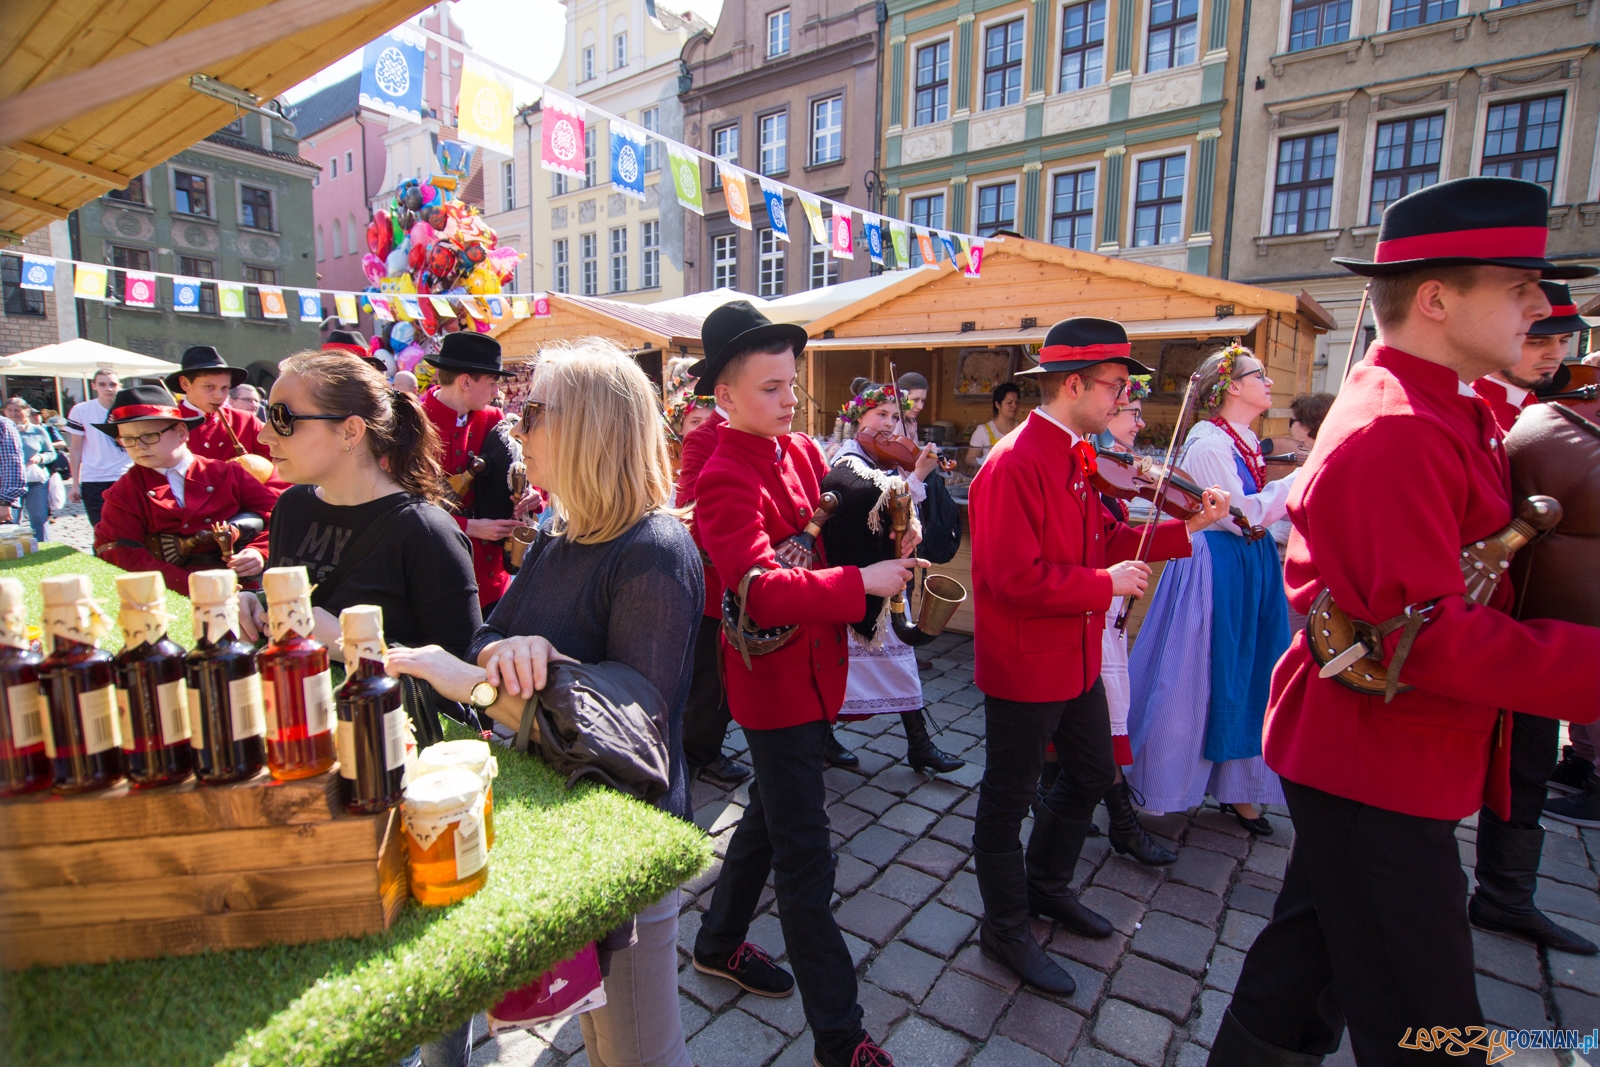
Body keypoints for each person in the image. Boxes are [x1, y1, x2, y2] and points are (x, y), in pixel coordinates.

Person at [1210, 176, 1600, 1067]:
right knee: (1431, 1031)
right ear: (1435, 299)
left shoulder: (1442, 404)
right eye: (1519, 288)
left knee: (1301, 981)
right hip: (1376, 753)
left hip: (1382, 746)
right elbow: (1432, 639)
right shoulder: (1400, 426)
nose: (1541, 308)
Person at [386, 340, 703, 1067]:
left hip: (626, 849)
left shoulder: (654, 548)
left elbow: (631, 735)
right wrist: (505, 651)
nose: (513, 429)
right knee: (603, 1043)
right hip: (568, 832)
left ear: (590, 425)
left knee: (637, 1055)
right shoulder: (562, 534)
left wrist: (482, 682)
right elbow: (489, 637)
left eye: (531, 411)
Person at [967, 317, 1229, 995]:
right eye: (1116, 384)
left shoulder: (1076, 452)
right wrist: (1100, 585)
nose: (1124, 398)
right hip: (1028, 660)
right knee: (1008, 797)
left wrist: (1184, 528)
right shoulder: (1014, 461)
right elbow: (1008, 577)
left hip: (1075, 655)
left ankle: (1046, 885)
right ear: (1075, 383)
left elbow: (1108, 535)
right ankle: (1004, 926)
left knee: (1090, 771)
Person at [691, 303, 922, 1067]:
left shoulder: (791, 448)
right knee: (807, 858)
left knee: (769, 810)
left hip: (813, 670)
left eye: (791, 384)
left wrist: (897, 522)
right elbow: (757, 589)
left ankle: (718, 941)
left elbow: (836, 518)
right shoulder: (726, 474)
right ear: (724, 397)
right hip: (773, 684)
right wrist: (860, 581)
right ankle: (839, 1037)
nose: (790, 401)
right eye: (770, 388)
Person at [1462, 281, 1598, 955]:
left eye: (1557, 341)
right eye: (1537, 337)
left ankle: (1506, 892)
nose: (1548, 354)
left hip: (1526, 620)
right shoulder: (1479, 411)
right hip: (1483, 625)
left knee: (1527, 762)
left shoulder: (1527, 409)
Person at [1125, 344, 1298, 835]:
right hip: (1214, 569)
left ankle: (1240, 788)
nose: (1267, 382)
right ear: (1232, 387)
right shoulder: (1208, 444)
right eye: (1257, 375)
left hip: (1247, 566)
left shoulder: (1240, 437)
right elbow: (1238, 516)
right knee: (1194, 676)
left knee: (1249, 671)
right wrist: (1296, 483)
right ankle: (1163, 784)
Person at [237, 351, 480, 662]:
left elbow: (466, 676)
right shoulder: (292, 505)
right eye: (268, 416)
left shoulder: (426, 531)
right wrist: (256, 606)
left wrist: (356, 644)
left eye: (283, 419)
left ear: (350, 431)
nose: (264, 434)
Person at [821, 379, 964, 774]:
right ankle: (822, 738)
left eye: (893, 417)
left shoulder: (882, 461)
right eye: (879, 415)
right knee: (842, 673)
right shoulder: (847, 459)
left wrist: (910, 522)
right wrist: (914, 476)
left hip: (883, 586)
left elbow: (896, 508)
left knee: (900, 665)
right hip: (858, 584)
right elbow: (867, 500)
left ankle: (919, 745)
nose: (889, 425)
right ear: (857, 418)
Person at [1079, 376, 1178, 866]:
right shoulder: (1089, 471)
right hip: (1088, 610)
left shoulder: (1112, 472)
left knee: (1092, 722)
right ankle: (1121, 824)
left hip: (1106, 609)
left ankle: (1064, 806)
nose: (1140, 423)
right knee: (1099, 725)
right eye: (1131, 413)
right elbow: (1107, 544)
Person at [673, 306, 763, 788]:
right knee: (711, 680)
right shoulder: (703, 438)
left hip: (761, 576)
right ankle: (699, 753)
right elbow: (688, 508)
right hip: (715, 581)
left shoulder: (777, 431)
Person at [91, 384, 275, 595]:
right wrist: (188, 585)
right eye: (128, 440)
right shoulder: (124, 492)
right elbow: (119, 553)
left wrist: (258, 551)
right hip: (171, 599)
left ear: (181, 433)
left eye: (149, 436)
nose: (139, 446)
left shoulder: (227, 473)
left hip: (241, 591)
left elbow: (279, 516)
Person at [420, 333, 521, 614]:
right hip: (437, 575)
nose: (496, 393)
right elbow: (406, 506)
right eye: (491, 383)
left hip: (491, 577)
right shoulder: (416, 422)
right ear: (466, 382)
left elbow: (514, 474)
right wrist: (470, 527)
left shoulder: (493, 419)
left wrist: (530, 495)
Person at [166, 346, 274, 464]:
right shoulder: (166, 423)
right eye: (209, 387)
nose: (219, 395)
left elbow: (277, 464)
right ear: (185, 383)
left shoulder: (245, 421)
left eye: (225, 388)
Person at [64, 367, 132, 526]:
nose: (108, 389)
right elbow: (75, 448)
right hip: (93, 478)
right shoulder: (81, 410)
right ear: (93, 386)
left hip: (124, 475)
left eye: (112, 384)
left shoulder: (128, 409)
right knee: (100, 527)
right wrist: (75, 483)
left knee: (128, 525)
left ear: (119, 386)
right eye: (102, 384)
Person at [6, 397, 55, 541]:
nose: (13, 413)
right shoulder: (3, 430)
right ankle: (12, 551)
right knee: (10, 518)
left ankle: (42, 547)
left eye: (17, 410)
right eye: (10, 410)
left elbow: (51, 453)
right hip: (10, 483)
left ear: (26, 411)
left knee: (39, 517)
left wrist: (39, 458)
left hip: (36, 481)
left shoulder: (38, 430)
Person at [966, 382, 1021, 467]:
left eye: (1017, 402)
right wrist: (983, 461)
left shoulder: (1022, 430)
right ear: (998, 404)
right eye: (1009, 402)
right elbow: (969, 459)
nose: (1014, 406)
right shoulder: (983, 431)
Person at [896, 370, 930, 441]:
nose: (920, 407)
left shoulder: (912, 423)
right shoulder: (894, 424)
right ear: (900, 397)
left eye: (923, 401)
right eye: (915, 400)